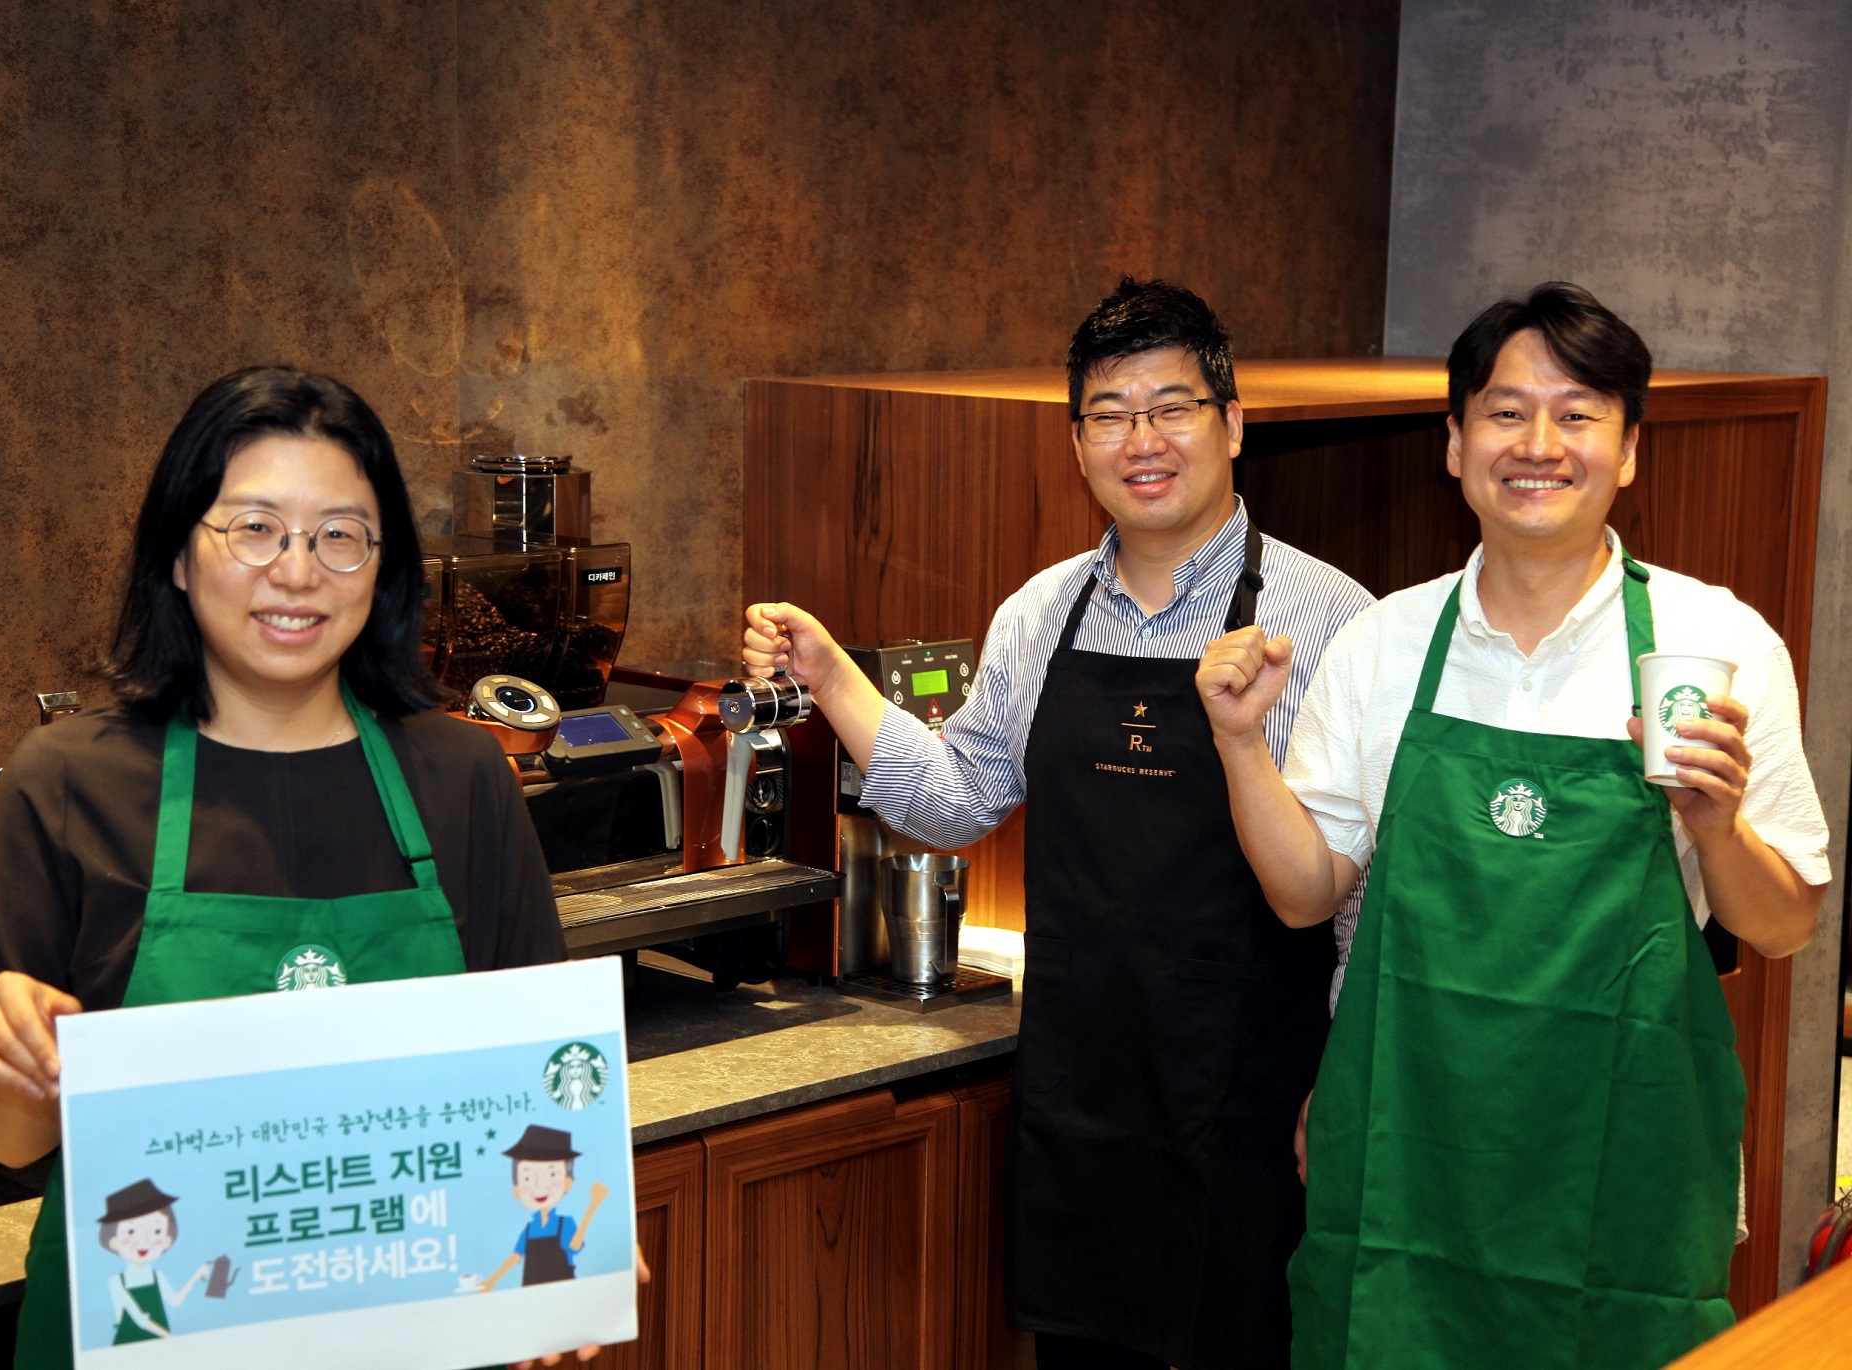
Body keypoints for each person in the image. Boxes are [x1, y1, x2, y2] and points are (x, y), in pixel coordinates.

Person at [1195, 283, 1831, 1370]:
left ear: (1628, 449)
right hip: (1406, 1145)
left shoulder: (1712, 646)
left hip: (1618, 1155)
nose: (1538, 444)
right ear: (1454, 444)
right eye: (1505, 411)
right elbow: (1303, 894)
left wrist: (1719, 825)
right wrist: (1239, 742)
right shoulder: (1384, 643)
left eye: (1577, 413)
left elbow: (1783, 928)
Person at [744, 278, 1374, 1369]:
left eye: (1172, 407)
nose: (1143, 439)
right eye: (1110, 414)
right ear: (1077, 442)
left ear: (1232, 423)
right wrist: (832, 674)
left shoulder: (1333, 622)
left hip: (1259, 1108)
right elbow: (954, 801)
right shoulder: (1039, 614)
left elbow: (1361, 898)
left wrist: (1350, 1080)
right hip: (1085, 1101)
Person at [0, 366, 597, 1367]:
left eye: (339, 534)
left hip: (411, 1329)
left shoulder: (462, 777)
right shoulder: (63, 783)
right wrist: (17, 1061)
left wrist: (571, 1252)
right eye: (255, 528)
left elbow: (540, 1085)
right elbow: (4, 1139)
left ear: (383, 566)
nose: (297, 571)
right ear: (178, 554)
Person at [481, 1125, 609, 1290]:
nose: (539, 1186)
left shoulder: (565, 1223)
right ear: (517, 1190)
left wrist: (594, 1204)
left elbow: (575, 1246)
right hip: (532, 1292)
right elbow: (515, 1256)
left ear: (567, 1182)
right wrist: (492, 1281)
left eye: (552, 1174)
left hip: (564, 1291)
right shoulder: (530, 1228)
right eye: (527, 1177)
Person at [94, 1179, 207, 1343]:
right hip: (131, 1344)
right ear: (114, 1241)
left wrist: (196, 1276)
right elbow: (139, 1319)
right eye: (131, 1231)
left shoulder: (156, 1275)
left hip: (162, 1340)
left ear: (167, 1238)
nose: (144, 1240)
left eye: (157, 1231)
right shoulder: (116, 1282)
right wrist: (171, 1338)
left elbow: (175, 1301)